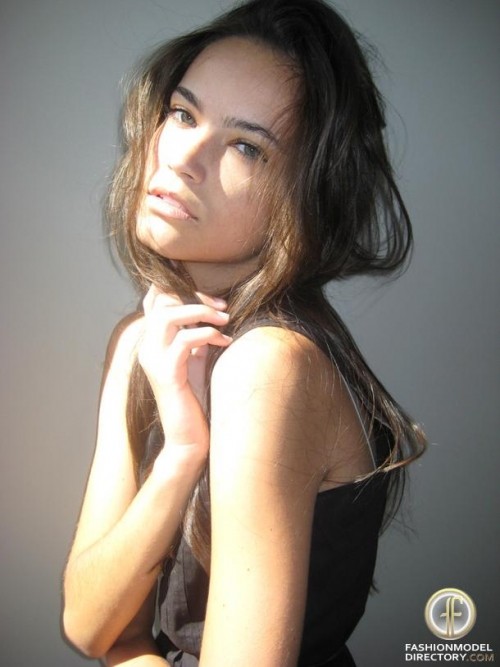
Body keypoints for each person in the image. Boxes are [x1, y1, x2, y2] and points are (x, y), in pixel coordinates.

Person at [62, 0, 426, 665]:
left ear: (306, 198)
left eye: (245, 146)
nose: (183, 157)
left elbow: (117, 641)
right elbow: (88, 624)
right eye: (183, 114)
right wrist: (181, 455)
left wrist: (129, 650)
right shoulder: (140, 342)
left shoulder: (270, 366)